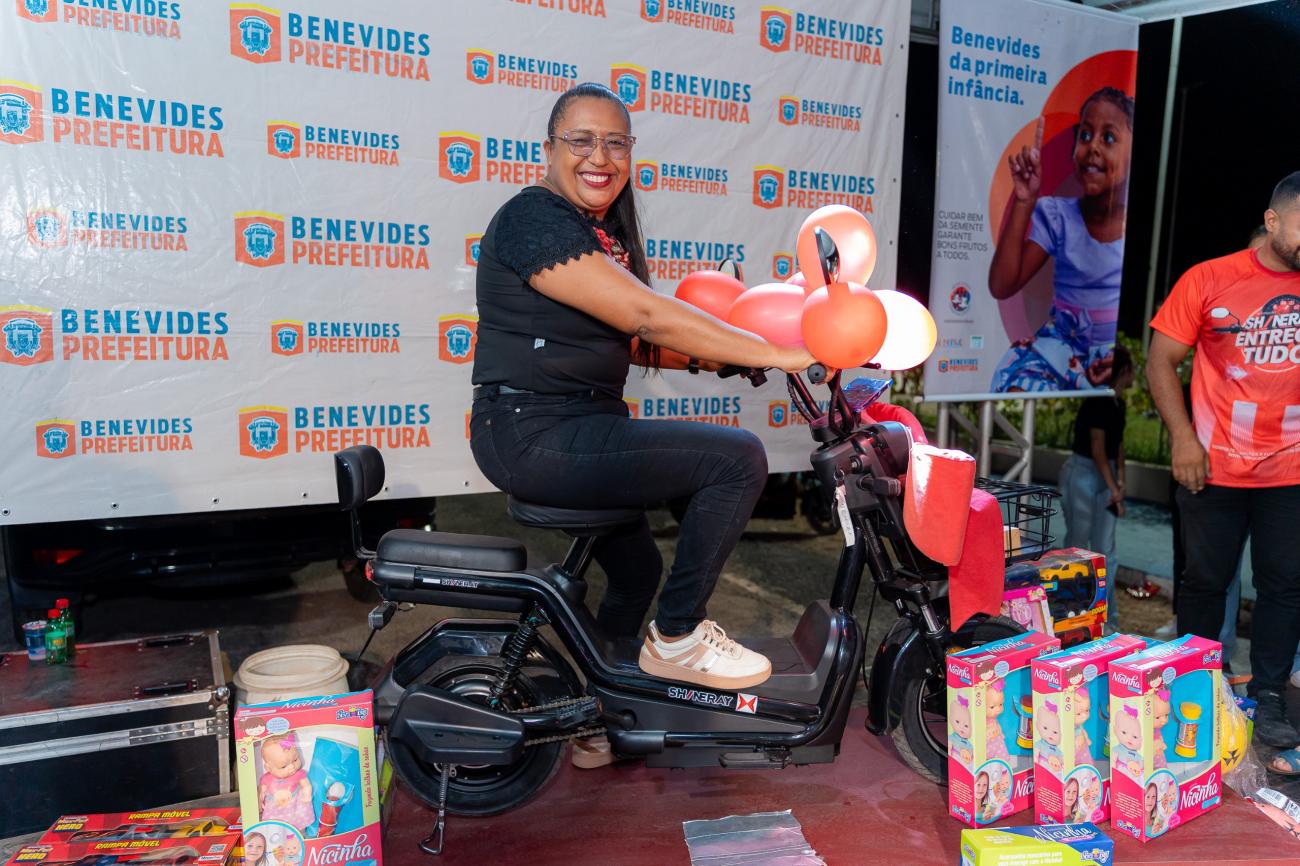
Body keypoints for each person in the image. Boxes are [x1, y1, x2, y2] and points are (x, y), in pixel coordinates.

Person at [469, 83, 815, 698]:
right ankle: (679, 635)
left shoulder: (598, 233)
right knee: (737, 459)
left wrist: (717, 361)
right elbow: (644, 316)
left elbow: (625, 340)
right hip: (536, 433)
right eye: (581, 140)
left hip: (573, 425)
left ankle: (597, 709)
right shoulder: (533, 219)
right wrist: (774, 351)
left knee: (636, 571)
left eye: (615, 143)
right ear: (549, 149)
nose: (599, 157)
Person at [1148, 170, 1300, 753]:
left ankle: (1268, 695)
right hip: (1213, 468)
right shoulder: (1210, 278)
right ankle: (1196, 688)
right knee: (1206, 583)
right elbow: (1161, 360)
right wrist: (1183, 439)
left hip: (1290, 473)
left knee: (1284, 586)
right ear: (1272, 221)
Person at [989, 88, 1136, 392]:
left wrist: (1120, 360)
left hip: (1113, 355)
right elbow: (1002, 285)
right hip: (1059, 348)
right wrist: (1024, 201)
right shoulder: (1059, 216)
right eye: (1085, 135)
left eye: (1109, 138)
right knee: (1015, 381)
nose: (1093, 147)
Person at [1058, 344, 1134, 621]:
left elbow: (1118, 446)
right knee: (1078, 546)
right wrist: (1115, 488)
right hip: (1084, 473)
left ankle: (1106, 615)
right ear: (1123, 371)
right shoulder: (1097, 400)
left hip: (1106, 474)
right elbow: (1097, 447)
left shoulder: (1118, 403)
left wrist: (1120, 482)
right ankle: (1070, 611)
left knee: (1106, 550)